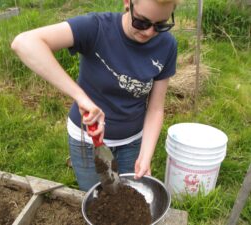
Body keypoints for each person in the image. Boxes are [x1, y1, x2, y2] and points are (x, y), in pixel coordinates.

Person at [11, 0, 179, 191]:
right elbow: (24, 43)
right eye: (141, 22)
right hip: (89, 141)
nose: (149, 32)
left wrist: (146, 155)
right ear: (127, 3)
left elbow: (156, 108)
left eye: (161, 25)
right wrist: (80, 97)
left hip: (132, 142)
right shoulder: (96, 27)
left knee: (127, 200)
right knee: (97, 201)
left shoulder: (167, 45)